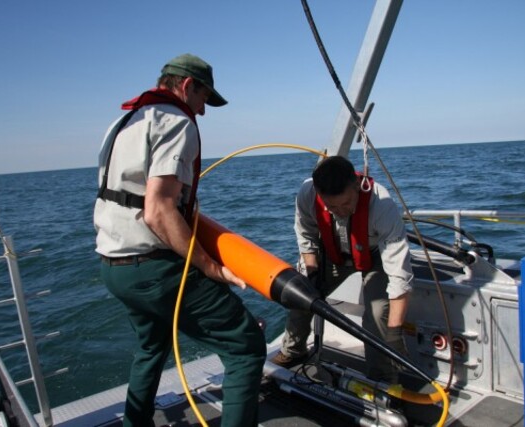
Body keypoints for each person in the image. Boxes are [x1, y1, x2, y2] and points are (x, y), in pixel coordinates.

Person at [94, 53, 266, 427]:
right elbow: (158, 210)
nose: (202, 112)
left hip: (113, 267)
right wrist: (211, 267)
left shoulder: (124, 121)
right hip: (153, 270)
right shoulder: (176, 122)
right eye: (204, 99)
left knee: (150, 347)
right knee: (246, 346)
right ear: (188, 86)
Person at [270, 155, 413, 383]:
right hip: (331, 253)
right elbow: (306, 236)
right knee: (302, 294)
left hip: (374, 257)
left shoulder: (381, 205)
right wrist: (313, 273)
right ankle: (293, 351)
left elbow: (399, 273)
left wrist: (394, 334)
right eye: (331, 206)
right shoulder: (306, 195)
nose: (340, 211)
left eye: (346, 203)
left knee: (377, 316)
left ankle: (382, 379)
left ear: (357, 186)